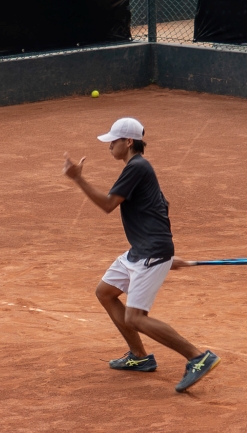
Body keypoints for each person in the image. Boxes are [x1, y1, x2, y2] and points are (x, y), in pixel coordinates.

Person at [65, 116, 218, 394]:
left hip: (150, 252)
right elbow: (162, 206)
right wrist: (166, 256)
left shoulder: (137, 167)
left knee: (135, 317)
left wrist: (78, 178)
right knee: (105, 292)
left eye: (113, 141)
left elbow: (108, 205)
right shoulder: (140, 169)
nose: (109, 146)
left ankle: (198, 357)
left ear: (128, 142)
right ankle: (139, 356)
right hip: (143, 251)